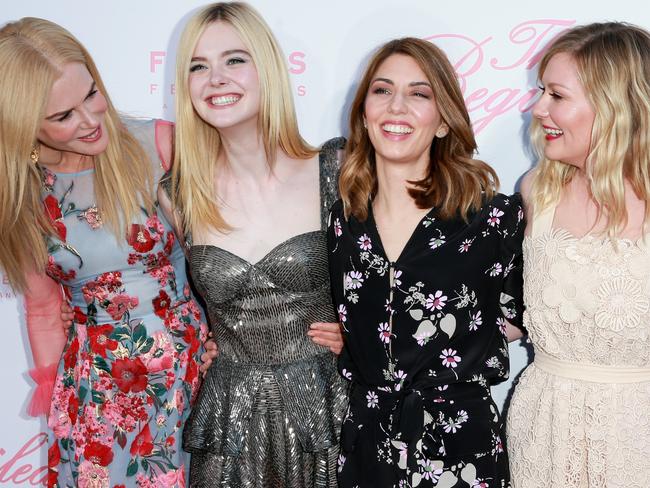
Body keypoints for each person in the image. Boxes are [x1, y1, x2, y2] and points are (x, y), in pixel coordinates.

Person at [0, 18, 208, 486]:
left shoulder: (159, 145)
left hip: (191, 370)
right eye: (63, 116)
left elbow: (218, 259)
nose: (92, 121)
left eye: (91, 94)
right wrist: (57, 398)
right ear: (21, 125)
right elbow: (41, 308)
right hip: (95, 393)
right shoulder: (19, 198)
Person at [157, 3, 347, 486]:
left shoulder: (337, 169)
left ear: (268, 69)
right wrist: (195, 341)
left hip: (327, 412)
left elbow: (405, 272)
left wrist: (367, 337)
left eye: (234, 60)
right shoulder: (176, 193)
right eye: (198, 67)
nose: (215, 78)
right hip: (230, 425)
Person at [327, 37, 525, 487]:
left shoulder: (492, 217)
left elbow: (533, 314)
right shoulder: (344, 217)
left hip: (460, 447)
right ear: (363, 112)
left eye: (419, 94)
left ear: (442, 122)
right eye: (382, 90)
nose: (397, 107)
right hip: (368, 442)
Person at [506, 22, 650, 487]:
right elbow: (503, 316)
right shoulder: (536, 194)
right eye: (540, 91)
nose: (538, 107)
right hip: (543, 431)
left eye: (556, 95)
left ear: (613, 108)